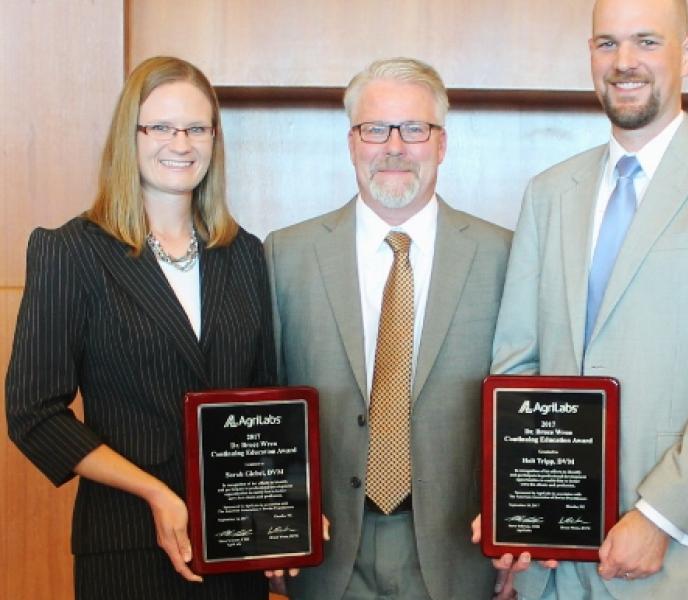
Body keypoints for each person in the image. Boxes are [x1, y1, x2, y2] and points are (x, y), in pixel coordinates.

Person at [485, 0, 688, 598]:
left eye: (646, 42)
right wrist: (515, 514)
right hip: (551, 571)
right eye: (606, 44)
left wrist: (660, 515)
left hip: (677, 564)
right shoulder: (548, 193)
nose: (624, 62)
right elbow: (516, 366)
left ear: (687, 54)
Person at [5, 56, 275, 599]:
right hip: (125, 549)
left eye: (197, 128)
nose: (181, 144)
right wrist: (154, 492)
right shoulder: (70, 252)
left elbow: (266, 403)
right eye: (161, 127)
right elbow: (32, 413)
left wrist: (283, 519)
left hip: (234, 548)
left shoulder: (244, 254)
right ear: (130, 136)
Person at [264, 57, 511, 599]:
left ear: (441, 144)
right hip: (326, 556)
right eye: (375, 129)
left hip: (457, 556)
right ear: (352, 143)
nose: (394, 146)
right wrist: (271, 527)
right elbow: (268, 398)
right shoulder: (287, 254)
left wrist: (518, 528)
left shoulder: (503, 256)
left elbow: (524, 399)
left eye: (414, 129)